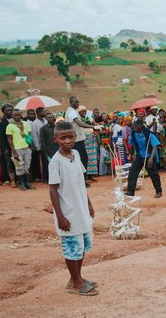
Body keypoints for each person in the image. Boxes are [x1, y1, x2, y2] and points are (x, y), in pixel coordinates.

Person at [48, 121, 97, 296]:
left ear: (76, 137)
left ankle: (76, 278)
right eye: (63, 138)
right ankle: (76, 283)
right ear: (56, 139)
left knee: (82, 245)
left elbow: (81, 182)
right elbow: (53, 189)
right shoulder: (56, 161)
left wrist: (89, 204)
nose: (67, 141)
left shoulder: (76, 154)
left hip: (81, 209)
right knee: (72, 246)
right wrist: (59, 216)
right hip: (68, 212)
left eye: (70, 137)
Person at [65, 97, 99, 185]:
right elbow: (79, 123)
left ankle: (83, 179)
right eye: (75, 102)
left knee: (81, 159)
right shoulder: (72, 111)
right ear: (71, 103)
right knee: (81, 159)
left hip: (77, 138)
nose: (77, 104)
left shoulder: (72, 110)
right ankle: (82, 180)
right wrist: (93, 127)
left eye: (78, 102)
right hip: (76, 140)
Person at [125, 120, 162, 198]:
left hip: (149, 156)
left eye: (136, 126)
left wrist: (151, 158)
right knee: (132, 172)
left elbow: (155, 146)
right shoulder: (133, 134)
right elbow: (132, 145)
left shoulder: (149, 134)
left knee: (153, 174)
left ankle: (158, 191)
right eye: (134, 126)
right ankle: (130, 191)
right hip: (139, 156)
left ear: (141, 126)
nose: (134, 127)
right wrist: (131, 155)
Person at [6, 109, 35, 190]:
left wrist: (30, 147)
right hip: (17, 149)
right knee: (19, 166)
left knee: (27, 166)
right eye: (15, 115)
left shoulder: (25, 124)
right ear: (12, 116)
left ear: (21, 115)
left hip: (26, 148)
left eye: (18, 115)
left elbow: (29, 136)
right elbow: (9, 140)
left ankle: (28, 183)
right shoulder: (10, 126)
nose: (17, 116)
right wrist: (14, 151)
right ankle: (21, 183)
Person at [0, 104, 15, 186]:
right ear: (4, 111)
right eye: (7, 110)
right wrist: (5, 148)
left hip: (17, 145)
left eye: (11, 110)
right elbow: (1, 136)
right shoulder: (2, 121)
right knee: (9, 163)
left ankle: (18, 179)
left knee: (17, 161)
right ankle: (10, 179)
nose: (9, 111)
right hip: (7, 146)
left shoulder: (16, 119)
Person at [40, 113, 59, 181]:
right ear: (46, 118)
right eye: (48, 117)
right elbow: (43, 141)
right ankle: (48, 179)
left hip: (57, 148)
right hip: (49, 149)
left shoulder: (57, 127)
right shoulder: (43, 128)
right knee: (49, 164)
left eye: (51, 117)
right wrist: (45, 152)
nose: (50, 118)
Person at [30, 107, 47, 182]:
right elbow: (34, 136)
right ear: (39, 113)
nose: (45, 113)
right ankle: (44, 177)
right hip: (41, 145)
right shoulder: (34, 123)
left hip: (48, 145)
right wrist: (38, 147)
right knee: (43, 162)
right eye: (44, 112)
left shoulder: (46, 121)